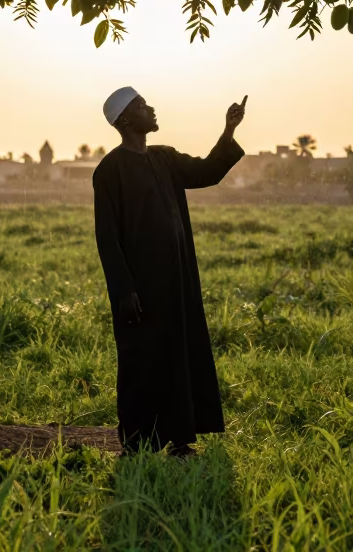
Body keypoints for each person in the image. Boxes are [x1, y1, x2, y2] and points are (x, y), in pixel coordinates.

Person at [92, 87, 247, 456]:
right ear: (126, 120)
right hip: (140, 289)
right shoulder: (109, 170)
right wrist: (124, 289)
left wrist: (228, 132)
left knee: (179, 354)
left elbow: (208, 171)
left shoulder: (165, 158)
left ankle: (181, 440)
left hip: (177, 280)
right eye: (143, 106)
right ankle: (137, 444)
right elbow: (107, 235)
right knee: (141, 362)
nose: (152, 109)